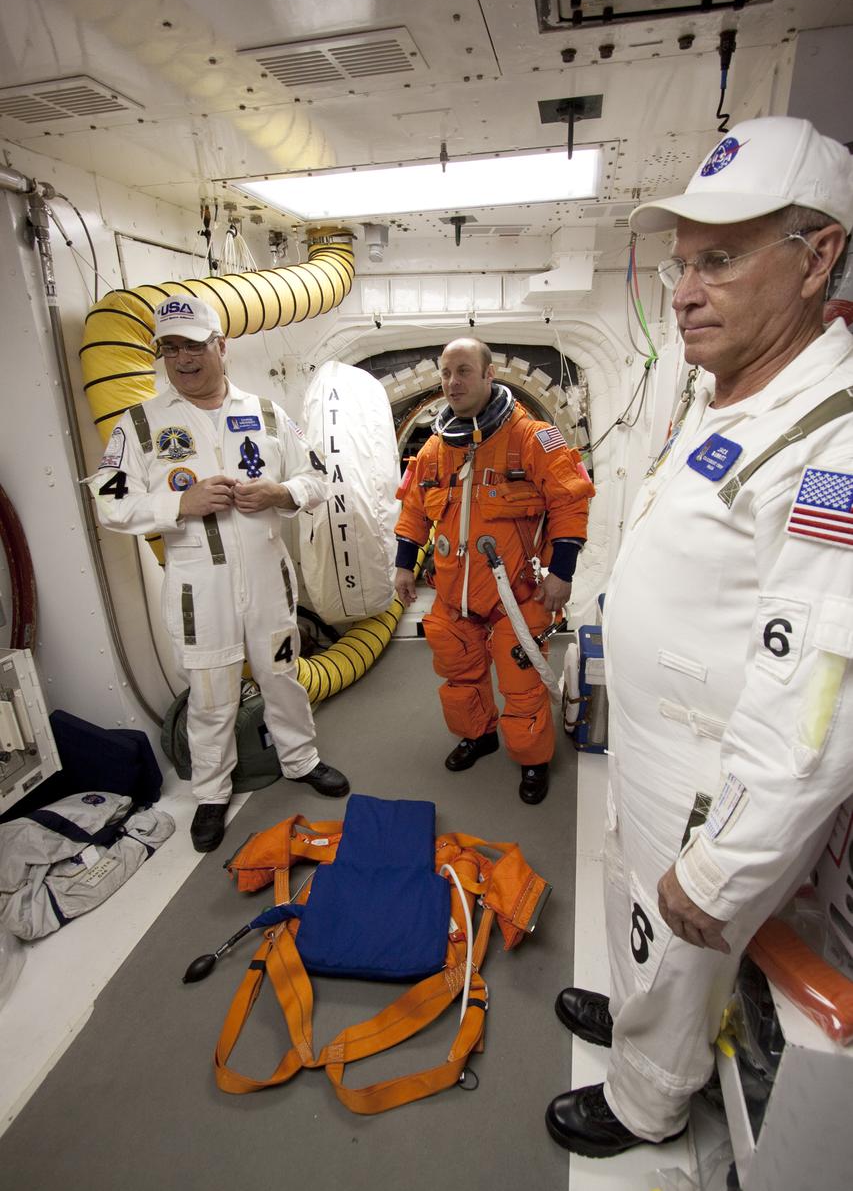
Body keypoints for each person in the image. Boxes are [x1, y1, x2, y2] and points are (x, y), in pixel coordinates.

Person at [547, 116, 853, 1157]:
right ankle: (633, 1016)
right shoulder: (725, 391)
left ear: (817, 258)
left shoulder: (834, 444)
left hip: (713, 780)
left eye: (718, 259)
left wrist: (724, 867)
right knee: (635, 912)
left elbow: (818, 698)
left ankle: (646, 1097)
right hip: (651, 741)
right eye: (681, 263)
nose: (681, 290)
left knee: (682, 938)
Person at [89, 293, 349, 853]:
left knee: (282, 674)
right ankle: (211, 793)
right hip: (197, 589)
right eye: (170, 348)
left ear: (221, 347)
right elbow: (109, 501)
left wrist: (281, 491)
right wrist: (178, 504)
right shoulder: (140, 424)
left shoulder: (267, 413)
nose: (182, 359)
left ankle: (301, 760)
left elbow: (317, 477)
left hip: (267, 582)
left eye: (193, 345)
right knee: (210, 695)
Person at [394, 338, 594, 803]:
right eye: (446, 373)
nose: (452, 382)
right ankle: (479, 736)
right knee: (460, 676)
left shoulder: (534, 438)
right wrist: (405, 565)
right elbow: (414, 511)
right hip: (453, 595)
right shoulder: (435, 449)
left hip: (515, 594)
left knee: (521, 685)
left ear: (489, 375)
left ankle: (532, 760)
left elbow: (570, 503)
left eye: (463, 371)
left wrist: (562, 573)